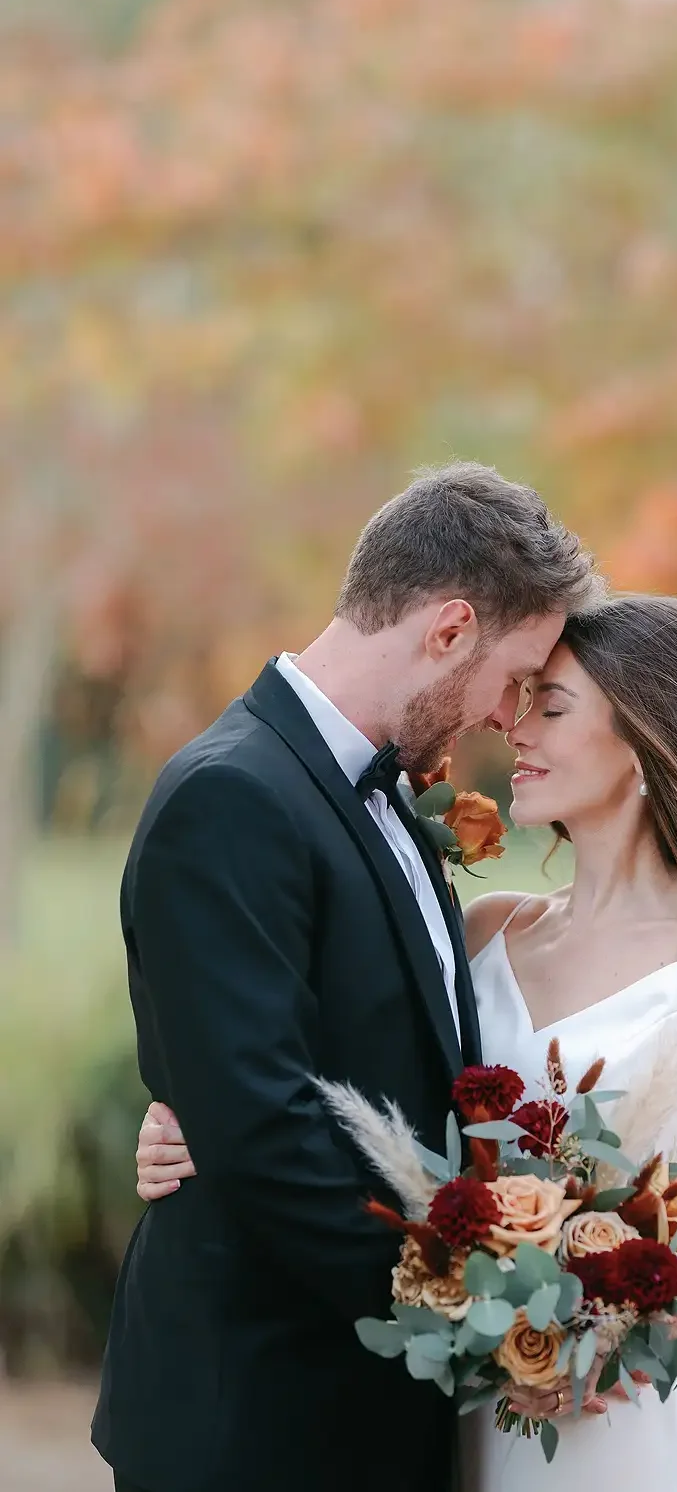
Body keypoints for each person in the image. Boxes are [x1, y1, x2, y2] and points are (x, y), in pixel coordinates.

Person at [136, 592, 677, 1492]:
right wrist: (200, 1124)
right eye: (521, 698)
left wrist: (626, 1338)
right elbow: (328, 1080)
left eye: (551, 706)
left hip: (599, 1417)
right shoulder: (487, 930)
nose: (515, 727)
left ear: (644, 741)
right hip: (443, 1395)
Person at [92, 461, 601, 1492]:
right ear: (448, 629)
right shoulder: (230, 796)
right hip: (258, 1418)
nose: (509, 720)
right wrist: (470, 1322)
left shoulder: (377, 797)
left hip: (364, 1411)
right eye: (514, 678)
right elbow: (264, 1129)